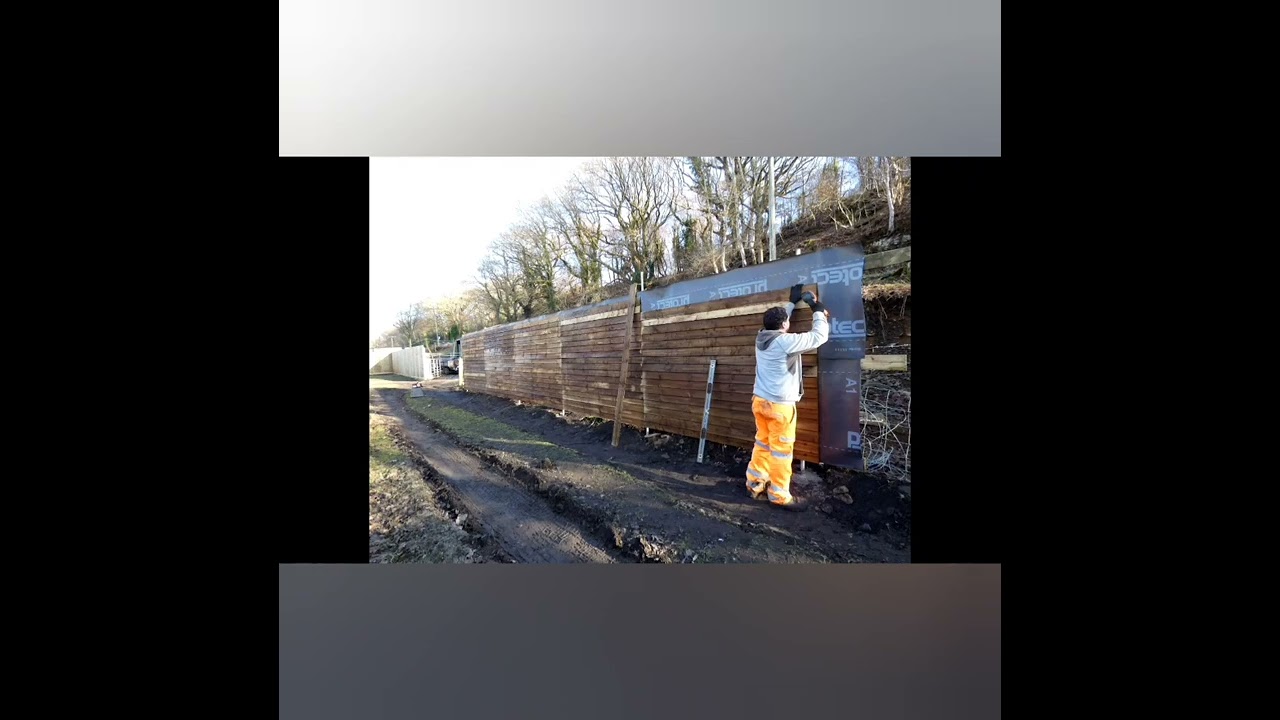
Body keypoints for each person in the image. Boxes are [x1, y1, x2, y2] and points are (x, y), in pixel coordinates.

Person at [745, 284, 831, 510]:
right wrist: (817, 309)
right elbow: (819, 336)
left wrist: (791, 304)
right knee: (781, 452)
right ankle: (779, 495)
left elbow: (777, 320)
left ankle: (754, 483)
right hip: (779, 407)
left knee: (762, 443)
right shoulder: (785, 342)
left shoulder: (761, 337)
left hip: (760, 402)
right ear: (784, 325)